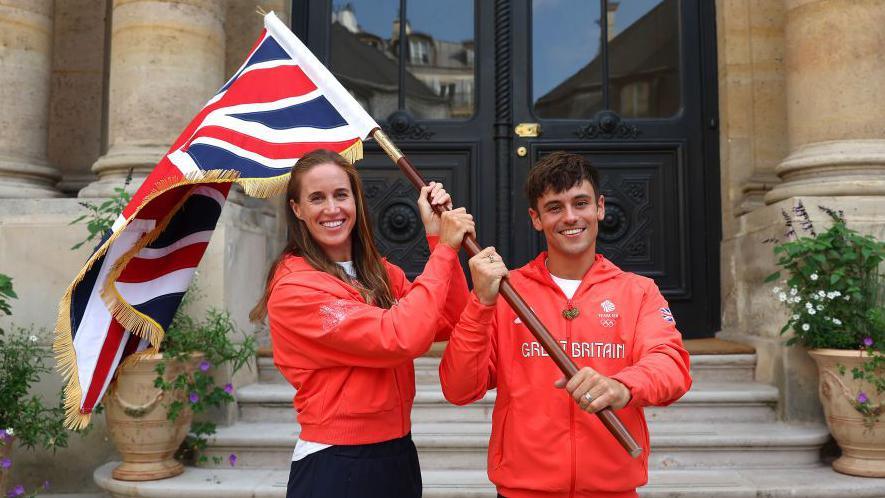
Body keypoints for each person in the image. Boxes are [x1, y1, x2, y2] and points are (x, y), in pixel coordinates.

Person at [439, 151, 692, 498]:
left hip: (612, 489)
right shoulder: (506, 293)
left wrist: (621, 387)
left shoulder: (638, 291)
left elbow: (671, 365)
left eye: (581, 203)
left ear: (600, 207)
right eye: (555, 207)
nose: (570, 217)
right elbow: (459, 388)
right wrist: (481, 304)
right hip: (523, 490)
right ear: (536, 218)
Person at [250, 149, 472, 498]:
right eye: (317, 198)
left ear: (355, 199)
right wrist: (444, 249)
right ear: (297, 209)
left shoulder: (379, 272)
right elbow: (401, 337)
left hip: (397, 452)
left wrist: (435, 237)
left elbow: (450, 318)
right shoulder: (295, 288)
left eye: (341, 194)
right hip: (337, 463)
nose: (332, 209)